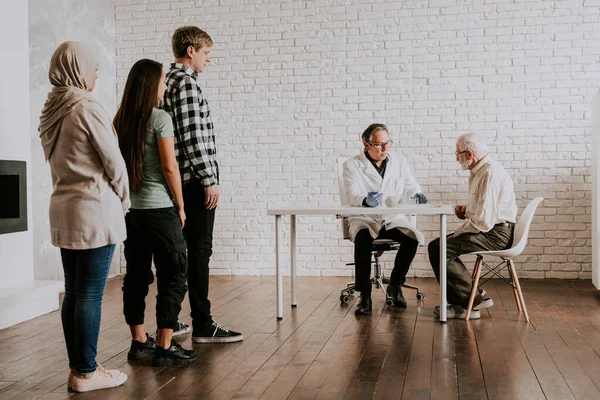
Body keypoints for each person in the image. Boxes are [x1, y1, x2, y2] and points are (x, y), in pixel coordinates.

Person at [38, 41, 129, 392]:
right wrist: (124, 197)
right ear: (77, 67)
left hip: (64, 209)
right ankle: (87, 374)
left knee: (74, 292)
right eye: (93, 67)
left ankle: (80, 368)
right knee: (89, 294)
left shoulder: (52, 108)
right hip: (93, 209)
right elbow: (114, 161)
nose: (95, 73)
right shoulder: (86, 107)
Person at [162, 26, 242, 342]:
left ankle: (170, 321)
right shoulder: (186, 86)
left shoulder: (168, 82)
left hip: (178, 182)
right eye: (206, 53)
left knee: (178, 253)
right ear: (191, 50)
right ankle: (203, 324)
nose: (209, 59)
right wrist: (209, 180)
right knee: (199, 251)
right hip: (194, 183)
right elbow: (193, 137)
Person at [115, 59, 197, 366]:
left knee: (136, 276)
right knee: (174, 273)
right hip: (160, 209)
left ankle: (138, 342)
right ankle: (164, 346)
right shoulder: (160, 117)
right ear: (151, 85)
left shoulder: (119, 119)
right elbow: (169, 166)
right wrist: (181, 204)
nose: (165, 86)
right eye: (162, 81)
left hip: (131, 212)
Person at [428, 133, 517, 320]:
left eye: (457, 154)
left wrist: (458, 233)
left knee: (440, 247)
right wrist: (467, 211)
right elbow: (486, 210)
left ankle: (470, 300)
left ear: (468, 153)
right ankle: (465, 302)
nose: (457, 159)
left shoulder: (489, 173)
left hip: (495, 234)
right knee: (438, 245)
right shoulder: (481, 171)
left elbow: (484, 221)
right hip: (492, 228)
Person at [342, 123, 428, 316]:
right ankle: (364, 296)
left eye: (387, 143)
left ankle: (395, 286)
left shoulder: (399, 161)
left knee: (412, 238)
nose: (385, 149)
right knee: (363, 239)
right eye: (379, 144)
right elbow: (351, 194)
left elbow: (411, 186)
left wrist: (418, 195)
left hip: (390, 217)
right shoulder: (352, 165)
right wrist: (365, 200)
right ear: (366, 145)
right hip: (365, 217)